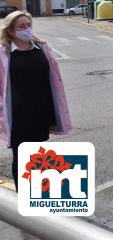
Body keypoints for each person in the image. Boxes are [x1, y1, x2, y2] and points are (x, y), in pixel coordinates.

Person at [0, 11, 71, 191]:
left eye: (28, 25)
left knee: (37, 153)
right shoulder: (4, 53)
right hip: (17, 114)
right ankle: (23, 194)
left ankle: (36, 191)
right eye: (21, 26)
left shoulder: (40, 47)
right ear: (10, 31)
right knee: (21, 154)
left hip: (40, 110)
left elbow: (52, 77)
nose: (27, 29)